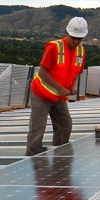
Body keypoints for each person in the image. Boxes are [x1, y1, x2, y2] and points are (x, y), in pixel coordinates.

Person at [25, 17, 88, 156]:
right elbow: (42, 72)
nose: (76, 41)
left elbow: (77, 71)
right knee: (38, 129)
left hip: (59, 96)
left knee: (65, 125)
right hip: (42, 93)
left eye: (80, 38)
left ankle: (59, 156)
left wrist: (73, 86)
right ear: (67, 33)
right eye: (73, 38)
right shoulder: (55, 47)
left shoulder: (81, 51)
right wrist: (59, 88)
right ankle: (32, 160)